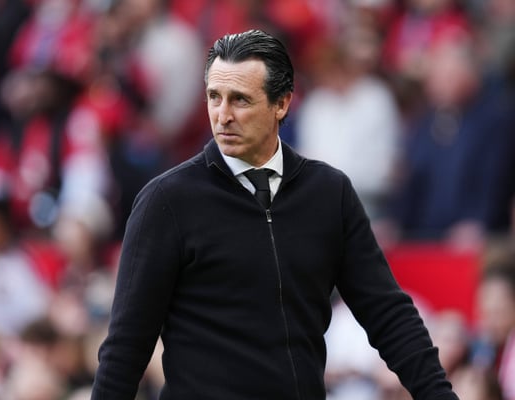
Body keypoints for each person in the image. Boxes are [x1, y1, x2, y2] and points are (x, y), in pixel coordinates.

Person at [92, 29, 459, 400]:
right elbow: (126, 346)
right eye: (214, 97)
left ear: (281, 104)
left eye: (240, 99)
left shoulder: (329, 194)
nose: (223, 115)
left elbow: (388, 315)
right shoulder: (167, 201)